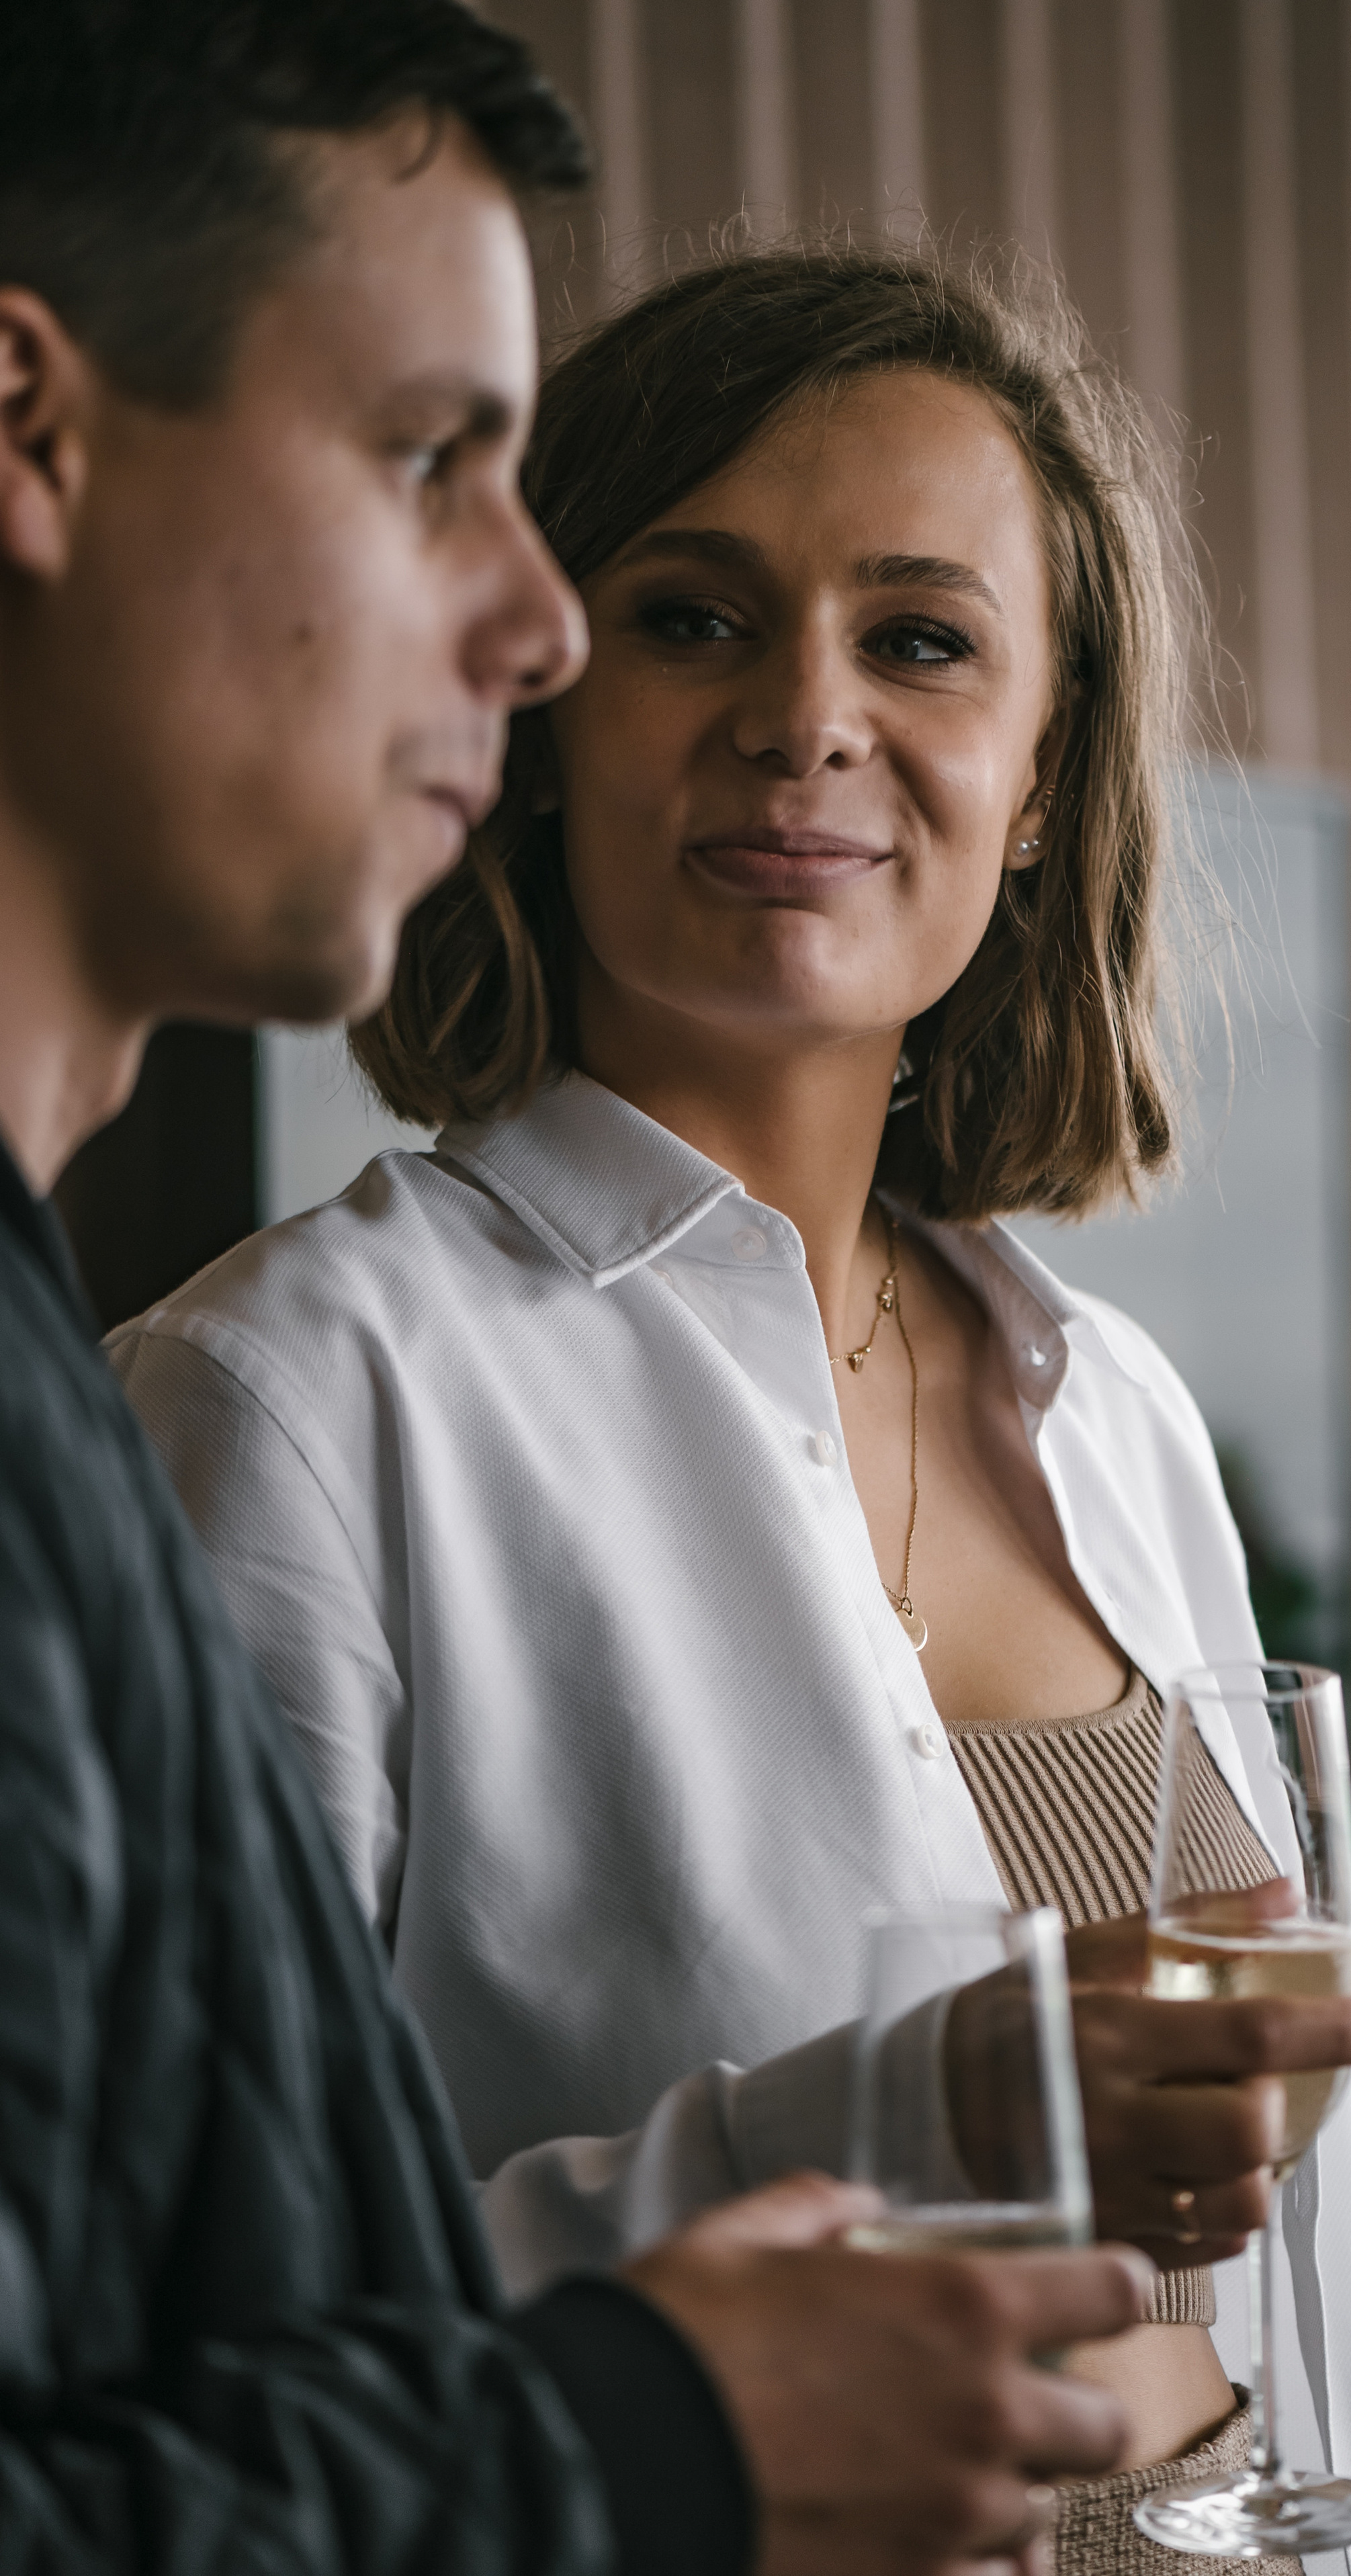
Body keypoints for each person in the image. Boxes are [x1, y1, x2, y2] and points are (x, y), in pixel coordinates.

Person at [0, 10, 1255, 2571]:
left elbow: (1307, 2307)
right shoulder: (285, 1393)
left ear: (1043, 782)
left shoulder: (1115, 1410)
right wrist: (864, 2161)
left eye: (921, 642)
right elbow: (232, 2334)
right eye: (689, 609)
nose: (805, 719)